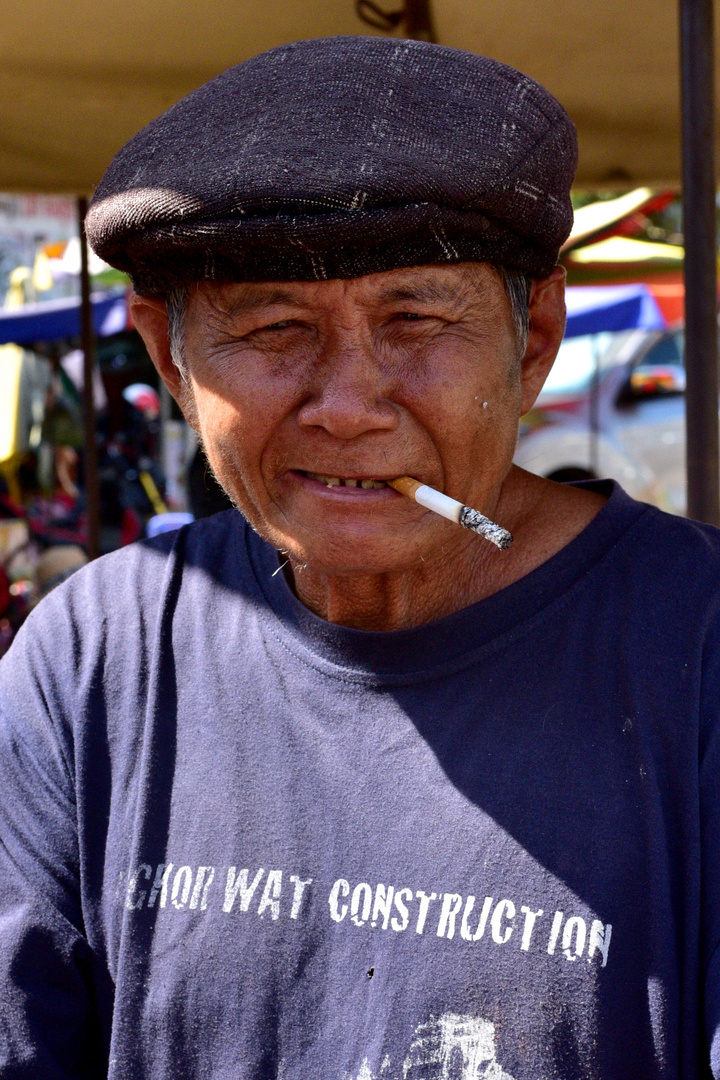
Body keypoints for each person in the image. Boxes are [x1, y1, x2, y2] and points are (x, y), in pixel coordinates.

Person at [0, 36, 718, 1080]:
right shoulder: (90, 661)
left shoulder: (695, 654)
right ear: (170, 358)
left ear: (533, 341)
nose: (347, 405)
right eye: (274, 328)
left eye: (416, 318)